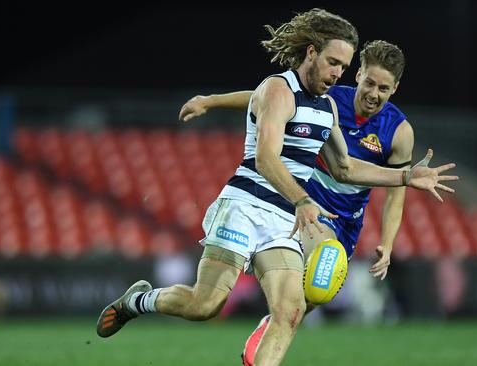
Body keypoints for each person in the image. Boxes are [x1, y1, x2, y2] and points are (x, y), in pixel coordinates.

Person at [97, 9, 457, 366]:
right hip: (245, 205)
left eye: (342, 68)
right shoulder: (278, 89)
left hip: (282, 220)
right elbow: (267, 159)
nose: (336, 73)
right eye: (332, 62)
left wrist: (406, 177)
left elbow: (344, 168)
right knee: (205, 305)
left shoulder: (326, 109)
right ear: (311, 52)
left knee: (291, 310)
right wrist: (302, 199)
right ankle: (137, 301)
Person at [179, 40, 428, 364]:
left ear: (395, 88)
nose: (373, 93)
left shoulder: (399, 132)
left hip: (346, 220)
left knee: (312, 296)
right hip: (306, 203)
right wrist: (212, 101)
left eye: (383, 88)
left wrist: (388, 243)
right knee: (323, 261)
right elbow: (262, 100)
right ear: (358, 75)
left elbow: (397, 194)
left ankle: (269, 327)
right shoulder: (328, 100)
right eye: (369, 82)